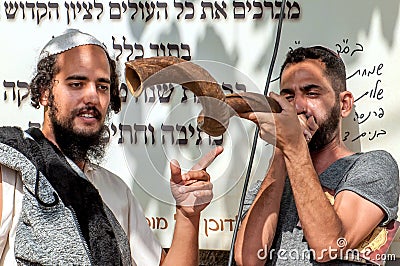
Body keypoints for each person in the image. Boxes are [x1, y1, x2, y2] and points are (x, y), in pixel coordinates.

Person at [0, 29, 223, 265]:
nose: (92, 97)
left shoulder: (115, 190)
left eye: (103, 87)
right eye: (77, 84)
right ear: (45, 93)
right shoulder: (10, 171)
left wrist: (188, 215)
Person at [234, 46, 399, 265]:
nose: (297, 107)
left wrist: (293, 146)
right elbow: (248, 260)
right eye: (288, 97)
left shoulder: (371, 166)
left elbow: (330, 245)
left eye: (312, 93)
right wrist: (282, 150)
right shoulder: (265, 187)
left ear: (344, 104)